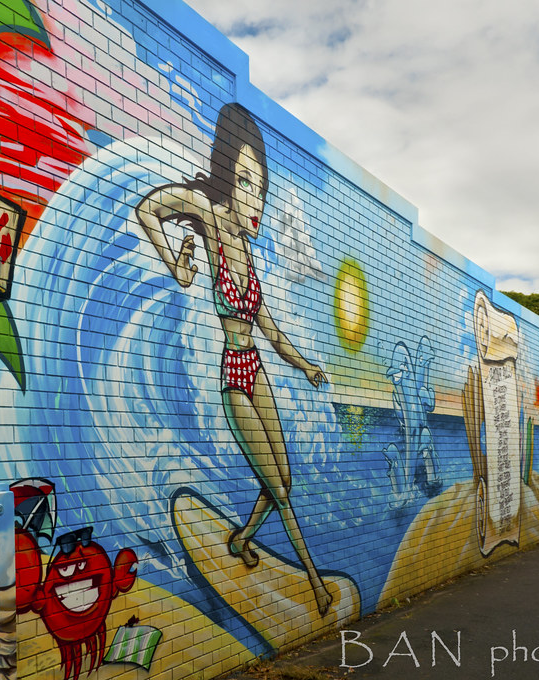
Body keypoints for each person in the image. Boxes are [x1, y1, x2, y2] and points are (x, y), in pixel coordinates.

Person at [134, 103, 332, 616]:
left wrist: (307, 366)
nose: (254, 199)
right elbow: (148, 209)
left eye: (260, 188)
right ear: (225, 177)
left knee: (282, 481)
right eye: (244, 181)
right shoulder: (209, 216)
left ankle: (242, 538)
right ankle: (315, 584)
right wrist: (176, 265)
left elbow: (272, 332)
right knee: (281, 495)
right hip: (233, 377)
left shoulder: (249, 256)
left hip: (257, 370)